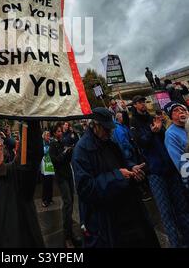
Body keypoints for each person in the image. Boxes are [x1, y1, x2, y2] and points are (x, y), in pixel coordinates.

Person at [72, 107, 159, 248]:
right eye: (106, 129)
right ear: (94, 125)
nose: (109, 132)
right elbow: (85, 188)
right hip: (108, 221)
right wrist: (118, 176)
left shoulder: (110, 142)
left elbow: (122, 163)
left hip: (130, 213)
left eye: (110, 128)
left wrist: (132, 169)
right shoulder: (82, 151)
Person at [131, 95, 189, 247]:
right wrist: (152, 132)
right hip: (155, 172)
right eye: (139, 102)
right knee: (166, 212)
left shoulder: (152, 117)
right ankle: (175, 244)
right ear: (135, 105)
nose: (143, 104)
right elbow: (141, 142)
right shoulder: (134, 123)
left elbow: (166, 139)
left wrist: (161, 127)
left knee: (181, 208)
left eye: (143, 101)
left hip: (170, 168)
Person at [49, 122, 81, 248]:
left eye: (61, 131)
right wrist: (64, 153)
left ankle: (70, 232)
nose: (60, 133)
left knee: (71, 202)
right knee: (67, 203)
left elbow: (67, 159)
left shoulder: (62, 142)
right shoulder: (52, 145)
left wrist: (69, 152)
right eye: (58, 131)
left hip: (68, 175)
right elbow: (55, 161)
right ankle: (67, 236)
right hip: (61, 177)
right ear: (53, 133)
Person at [164, 101, 189, 189]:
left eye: (182, 109)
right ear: (171, 117)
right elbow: (180, 162)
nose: (181, 111)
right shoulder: (171, 134)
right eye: (176, 110)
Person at [41, 131, 54, 207]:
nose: (48, 136)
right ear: (44, 136)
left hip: (50, 165)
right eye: (47, 135)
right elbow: (43, 152)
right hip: (44, 166)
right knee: (45, 183)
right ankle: (45, 199)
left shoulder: (51, 142)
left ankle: (50, 198)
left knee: (50, 182)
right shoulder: (42, 143)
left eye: (49, 135)